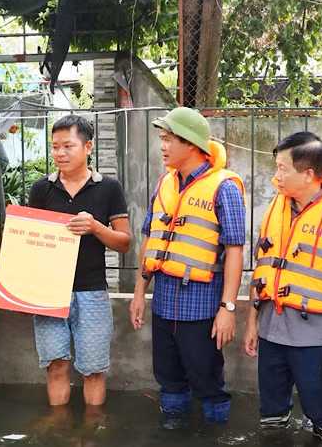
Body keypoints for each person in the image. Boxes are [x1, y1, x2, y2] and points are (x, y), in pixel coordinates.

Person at [129, 106, 245, 429]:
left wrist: (228, 308)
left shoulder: (225, 188)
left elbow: (235, 251)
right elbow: (150, 240)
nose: (162, 147)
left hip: (202, 308)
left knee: (208, 382)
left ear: (191, 144)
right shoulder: (164, 184)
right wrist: (139, 293)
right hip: (164, 305)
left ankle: (212, 434)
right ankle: (173, 433)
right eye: (162, 139)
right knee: (168, 379)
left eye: (168, 140)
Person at [242, 132, 322, 442]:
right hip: (271, 329)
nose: (276, 176)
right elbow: (262, 270)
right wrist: (252, 324)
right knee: (270, 416)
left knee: (321, 415)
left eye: (283, 169)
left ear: (308, 175)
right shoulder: (275, 209)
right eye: (277, 167)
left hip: (313, 336)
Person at [28, 114, 131, 407]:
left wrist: (96, 227)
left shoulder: (109, 187)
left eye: (68, 146)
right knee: (55, 366)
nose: (60, 153)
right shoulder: (41, 189)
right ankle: (60, 431)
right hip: (48, 294)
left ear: (88, 147)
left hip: (92, 291)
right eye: (55, 147)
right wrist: (25, 294)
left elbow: (124, 242)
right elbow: (31, 245)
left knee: (94, 371)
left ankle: (91, 432)